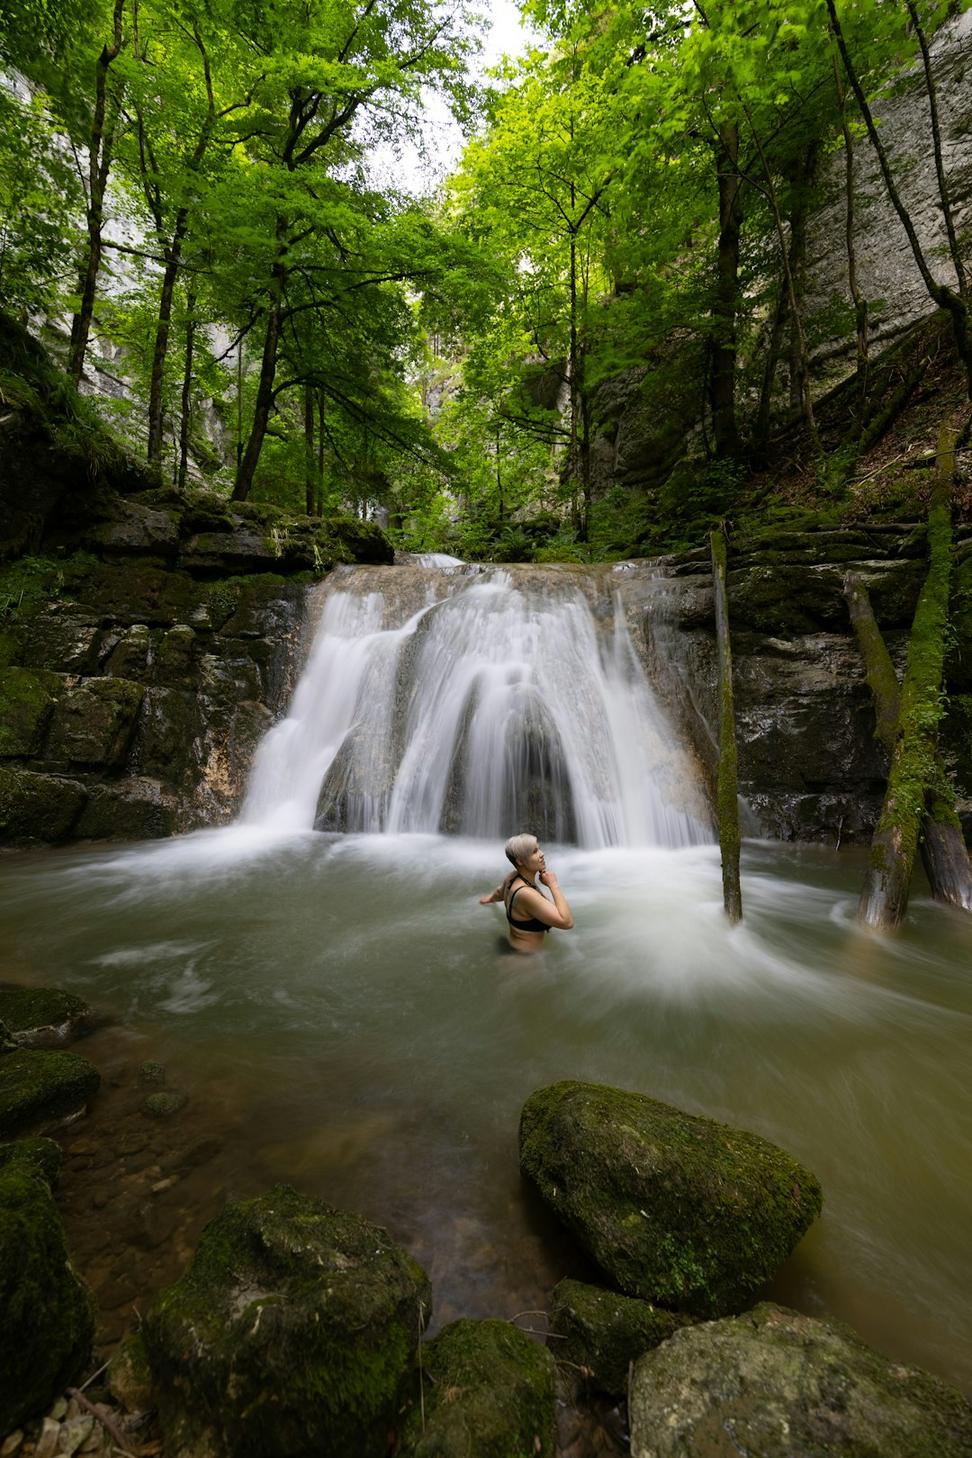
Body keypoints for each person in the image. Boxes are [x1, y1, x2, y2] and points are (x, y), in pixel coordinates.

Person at [479, 832, 574, 953]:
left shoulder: (512, 878)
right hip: (525, 958)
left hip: (514, 945)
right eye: (535, 852)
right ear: (520, 861)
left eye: (539, 849)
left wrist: (488, 899)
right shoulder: (526, 894)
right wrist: (553, 885)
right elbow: (567, 922)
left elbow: (499, 893)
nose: (542, 854)